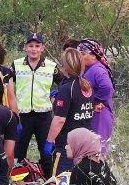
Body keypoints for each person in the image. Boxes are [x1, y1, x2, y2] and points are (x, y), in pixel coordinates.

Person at [44, 47, 94, 176]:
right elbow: (77, 107)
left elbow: (60, 119)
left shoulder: (67, 89)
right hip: (86, 141)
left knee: (59, 182)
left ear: (66, 66)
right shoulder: (86, 85)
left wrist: (49, 141)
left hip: (68, 144)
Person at [12, 32, 60, 164]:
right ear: (25, 47)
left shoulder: (51, 66)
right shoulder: (16, 65)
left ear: (42, 48)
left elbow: (65, 83)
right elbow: (6, 86)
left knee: (46, 153)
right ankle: (20, 182)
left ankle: (48, 181)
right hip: (22, 115)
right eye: (31, 46)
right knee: (18, 152)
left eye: (37, 46)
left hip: (43, 116)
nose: (34, 49)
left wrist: (57, 96)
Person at [76, 39, 115, 154]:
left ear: (93, 56)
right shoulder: (87, 70)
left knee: (97, 152)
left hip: (100, 114)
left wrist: (94, 101)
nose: (79, 57)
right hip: (92, 115)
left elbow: (107, 87)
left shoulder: (97, 70)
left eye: (82, 54)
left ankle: (100, 172)